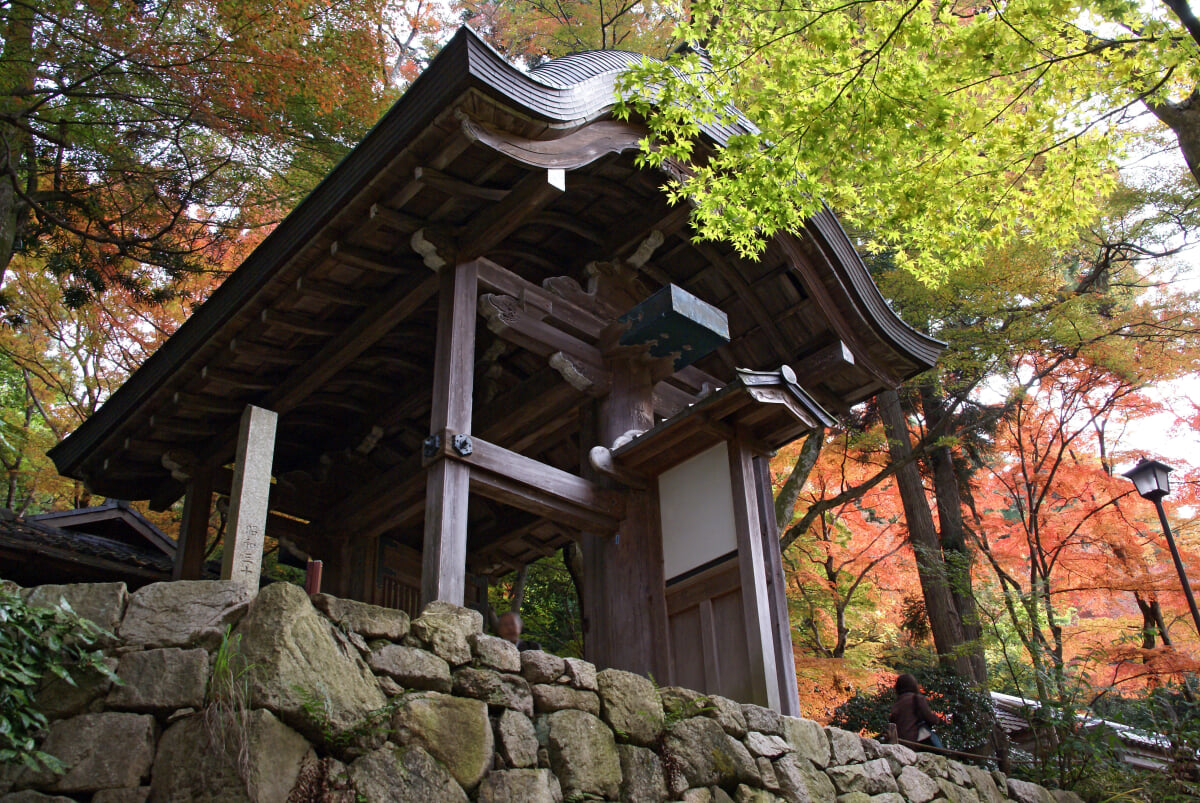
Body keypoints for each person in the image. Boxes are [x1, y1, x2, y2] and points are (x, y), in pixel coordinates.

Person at [889, 673, 948, 749]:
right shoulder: (916, 699)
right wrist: (937, 718)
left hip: (900, 742)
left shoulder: (897, 703)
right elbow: (930, 718)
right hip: (915, 740)